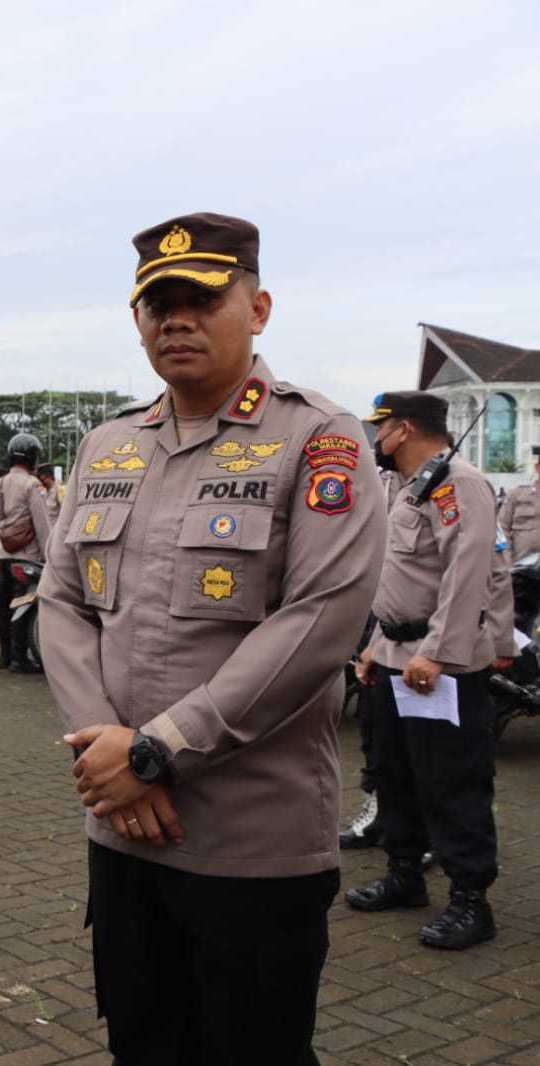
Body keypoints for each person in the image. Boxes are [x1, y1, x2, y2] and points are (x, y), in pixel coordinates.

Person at [40, 212, 386, 1064]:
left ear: (258, 307)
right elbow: (60, 602)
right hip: (121, 830)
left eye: (199, 297)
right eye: (156, 302)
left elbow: (319, 620)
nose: (175, 319)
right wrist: (106, 756)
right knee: (143, 1043)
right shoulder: (107, 444)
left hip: (251, 847)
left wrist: (155, 751)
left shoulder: (319, 438)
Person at [346, 390, 501, 950]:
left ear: (403, 430)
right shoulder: (408, 488)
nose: (376, 441)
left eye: (380, 429)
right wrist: (373, 647)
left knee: (451, 780)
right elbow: (397, 579)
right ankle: (405, 873)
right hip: (394, 658)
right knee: (395, 773)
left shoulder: (458, 484)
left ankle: (470, 900)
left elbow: (469, 573)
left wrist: (437, 651)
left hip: (442, 665)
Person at [0, 433, 49, 672]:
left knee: (3, 605)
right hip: (26, 555)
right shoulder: (32, 484)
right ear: (33, 456)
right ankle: (19, 658)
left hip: (3, 554)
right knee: (22, 605)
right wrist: (49, 554)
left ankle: (4, 656)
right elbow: (42, 522)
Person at [497, 451, 540, 561]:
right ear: (537, 467)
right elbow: (501, 527)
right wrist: (507, 560)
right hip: (520, 565)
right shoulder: (516, 494)